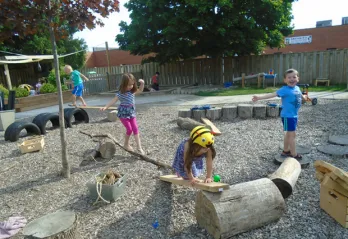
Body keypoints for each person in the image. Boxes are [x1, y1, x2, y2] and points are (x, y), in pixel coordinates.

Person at [252, 68, 307, 160]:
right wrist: (259, 97)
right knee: (292, 135)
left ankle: (285, 151)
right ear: (285, 80)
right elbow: (272, 94)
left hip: (294, 115)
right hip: (287, 116)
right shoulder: (284, 89)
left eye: (294, 77)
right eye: (289, 77)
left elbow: (301, 96)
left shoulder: (297, 88)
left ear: (298, 78)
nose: (292, 79)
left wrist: (304, 97)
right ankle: (293, 154)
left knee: (288, 134)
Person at [100, 73, 145, 154]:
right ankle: (126, 144)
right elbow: (113, 100)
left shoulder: (132, 92)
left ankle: (139, 147)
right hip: (123, 115)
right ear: (123, 84)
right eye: (128, 85)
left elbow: (140, 90)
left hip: (132, 113)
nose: (130, 86)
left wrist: (142, 83)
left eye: (132, 84)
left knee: (135, 128)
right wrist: (105, 107)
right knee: (129, 129)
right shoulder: (120, 93)